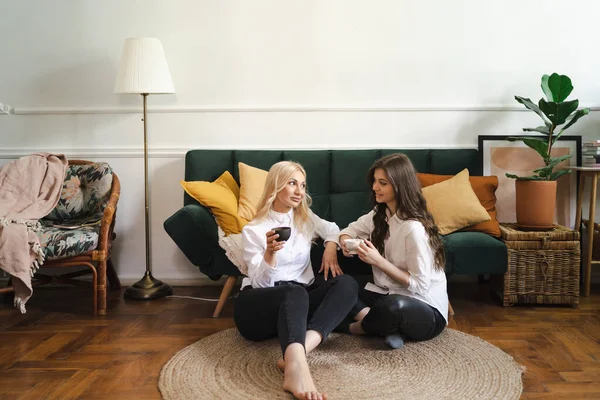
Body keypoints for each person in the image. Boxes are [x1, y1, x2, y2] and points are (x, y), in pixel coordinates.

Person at [234, 161, 358, 400]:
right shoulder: (254, 229)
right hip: (258, 309)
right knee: (294, 292)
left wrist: (331, 245)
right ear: (276, 186)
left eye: (302, 185)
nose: (300, 191)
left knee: (347, 283)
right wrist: (270, 253)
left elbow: (333, 228)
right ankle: (297, 368)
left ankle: (291, 356)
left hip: (297, 306)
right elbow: (260, 284)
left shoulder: (305, 218)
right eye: (292, 183)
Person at [338, 153, 448, 349]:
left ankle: (358, 327)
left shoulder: (413, 228)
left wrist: (378, 261)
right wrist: (346, 244)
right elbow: (348, 231)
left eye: (382, 183)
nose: (374, 188)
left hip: (424, 307)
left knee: (393, 307)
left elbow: (420, 285)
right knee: (340, 286)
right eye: (374, 181)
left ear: (400, 185)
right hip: (386, 293)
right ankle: (389, 328)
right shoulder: (379, 214)